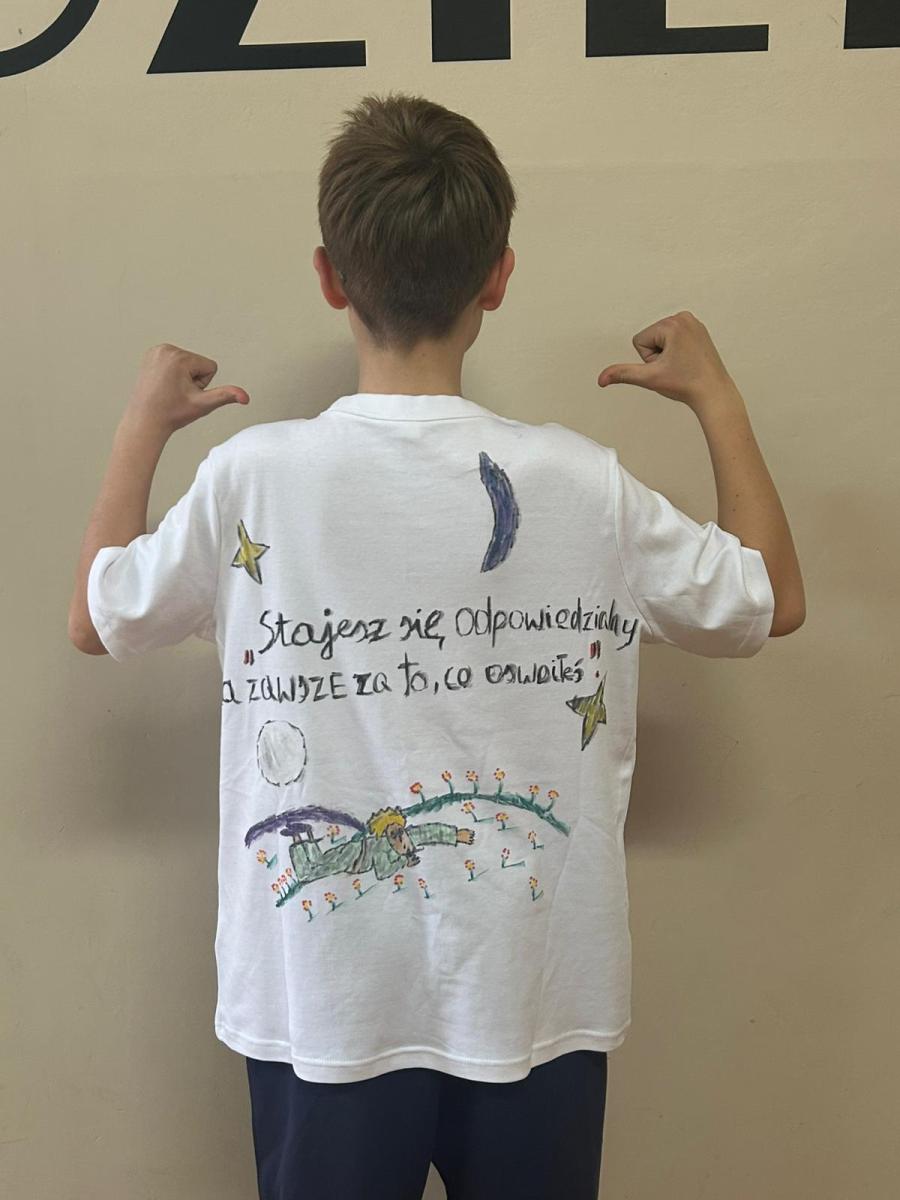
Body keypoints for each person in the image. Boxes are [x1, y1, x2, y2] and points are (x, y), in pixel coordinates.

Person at [68, 91, 805, 1200]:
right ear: (497, 279)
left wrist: (141, 424)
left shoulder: (252, 478)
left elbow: (97, 617)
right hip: (532, 1001)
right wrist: (717, 396)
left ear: (331, 278)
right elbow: (772, 597)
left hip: (324, 1002)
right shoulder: (583, 485)